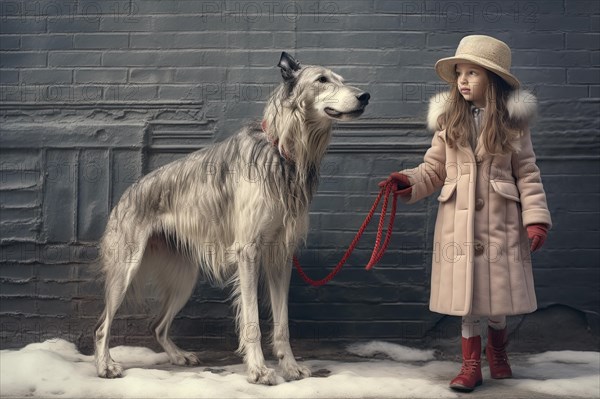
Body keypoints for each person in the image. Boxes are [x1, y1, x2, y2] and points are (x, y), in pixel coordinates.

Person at [380, 35, 552, 392]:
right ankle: (470, 364)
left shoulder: (513, 124)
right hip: (458, 226)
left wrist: (535, 219)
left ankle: (498, 351)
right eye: (460, 73)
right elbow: (433, 170)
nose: (463, 80)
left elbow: (529, 173)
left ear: (493, 78)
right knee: (468, 299)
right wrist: (407, 182)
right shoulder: (449, 123)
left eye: (473, 73)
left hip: (500, 222)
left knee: (496, 296)